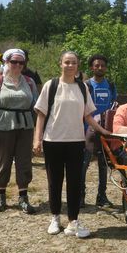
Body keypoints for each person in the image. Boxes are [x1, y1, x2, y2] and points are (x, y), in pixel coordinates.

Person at [33, 51, 110, 238]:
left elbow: (88, 115)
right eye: (66, 62)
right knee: (55, 181)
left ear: (78, 65)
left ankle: (73, 221)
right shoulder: (51, 86)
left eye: (73, 62)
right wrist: (37, 139)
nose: (70, 65)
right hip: (53, 141)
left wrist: (103, 131)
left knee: (75, 183)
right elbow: (41, 114)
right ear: (60, 63)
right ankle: (55, 217)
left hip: (76, 141)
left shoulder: (83, 88)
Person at [0, 49, 39, 214]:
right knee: (4, 161)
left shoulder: (29, 82)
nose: (17, 65)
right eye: (13, 62)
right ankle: (1, 196)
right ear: (6, 62)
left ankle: (23, 197)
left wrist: (40, 132)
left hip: (26, 127)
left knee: (24, 161)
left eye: (20, 62)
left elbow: (36, 107)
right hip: (4, 126)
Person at [81, 54, 117, 208]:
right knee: (84, 163)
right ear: (91, 67)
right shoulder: (86, 85)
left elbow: (113, 107)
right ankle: (80, 197)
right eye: (97, 65)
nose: (100, 68)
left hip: (105, 130)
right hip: (86, 130)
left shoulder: (111, 85)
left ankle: (101, 197)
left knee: (103, 165)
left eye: (102, 65)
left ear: (106, 68)